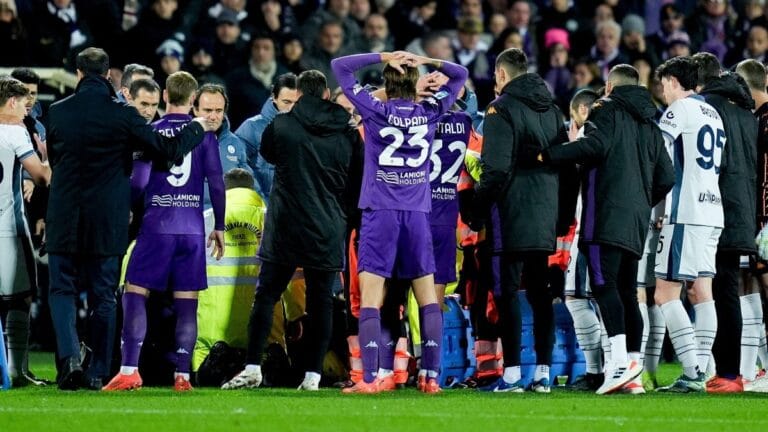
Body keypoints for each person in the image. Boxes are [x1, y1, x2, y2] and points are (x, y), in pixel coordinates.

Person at [45, 47, 215, 391]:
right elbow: (166, 150)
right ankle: (96, 371)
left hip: (63, 213)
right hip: (107, 219)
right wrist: (197, 128)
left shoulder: (56, 112)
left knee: (61, 289)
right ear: (109, 75)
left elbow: (58, 157)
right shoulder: (123, 115)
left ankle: (68, 364)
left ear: (79, 74)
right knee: (104, 294)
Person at [331, 51, 467, 394]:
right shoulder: (429, 111)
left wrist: (383, 55)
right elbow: (460, 74)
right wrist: (425, 59)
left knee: (372, 298)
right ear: (415, 85)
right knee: (427, 298)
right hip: (419, 214)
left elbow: (340, 67)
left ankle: (371, 379)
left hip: (381, 212)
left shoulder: (375, 110)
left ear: (387, 87)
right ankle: (431, 378)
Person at [221, 69, 363, 391]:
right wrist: (345, 217)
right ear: (326, 95)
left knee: (267, 295)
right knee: (321, 303)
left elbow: (269, 153)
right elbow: (358, 181)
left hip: (285, 226)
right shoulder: (347, 132)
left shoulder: (283, 124)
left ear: (298, 95)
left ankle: (253, 367)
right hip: (326, 227)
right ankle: (312, 376)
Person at [543, 63, 674, 395]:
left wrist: (551, 154)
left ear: (610, 87)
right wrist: (644, 202)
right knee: (628, 293)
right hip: (635, 221)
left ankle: (618, 365)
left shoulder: (606, 108)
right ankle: (632, 368)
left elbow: (594, 146)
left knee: (604, 288)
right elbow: (667, 177)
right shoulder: (651, 123)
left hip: (605, 217)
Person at [102, 71, 225, 392]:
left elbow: (140, 182)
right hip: (193, 230)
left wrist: (129, 206)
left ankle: (130, 369)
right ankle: (182, 375)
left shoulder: (151, 132)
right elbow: (217, 182)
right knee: (188, 304)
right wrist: (221, 226)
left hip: (158, 226)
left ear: (166, 97)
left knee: (134, 293)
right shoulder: (206, 136)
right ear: (194, 99)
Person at [469, 47, 567, 394]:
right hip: (544, 214)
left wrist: (474, 210)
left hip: (508, 215)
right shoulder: (554, 111)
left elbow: (494, 171)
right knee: (541, 295)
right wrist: (560, 217)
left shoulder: (500, 109)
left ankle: (510, 374)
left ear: (500, 75)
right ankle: (542, 374)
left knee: (507, 292)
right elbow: (564, 165)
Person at [652, 56, 726, 393]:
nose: (663, 92)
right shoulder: (713, 113)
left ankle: (693, 370)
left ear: (672, 81)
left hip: (686, 210)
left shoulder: (680, 108)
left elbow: (657, 151)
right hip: (713, 211)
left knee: (665, 292)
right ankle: (704, 367)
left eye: (663, 85)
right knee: (701, 291)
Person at [694, 53, 757, 393]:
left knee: (715, 292)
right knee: (726, 290)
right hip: (741, 208)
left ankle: (727, 373)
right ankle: (729, 371)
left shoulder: (707, 106)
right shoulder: (745, 109)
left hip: (713, 208)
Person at [0, 77, 51, 387]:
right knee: (21, 297)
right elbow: (41, 177)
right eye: (22, 104)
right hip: (9, 226)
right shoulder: (16, 132)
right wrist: (45, 156)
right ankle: (17, 371)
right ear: (10, 103)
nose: (25, 110)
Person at [560, 88, 606, 392]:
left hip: (592, 230)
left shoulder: (590, 136)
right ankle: (616, 367)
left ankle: (598, 371)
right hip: (619, 226)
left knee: (579, 297)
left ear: (582, 112)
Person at [736, 59, 768, 392]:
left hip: (764, 222)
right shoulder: (757, 120)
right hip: (755, 220)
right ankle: (752, 372)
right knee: (749, 286)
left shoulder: (764, 122)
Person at [235, 73, 298, 199]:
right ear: (273, 97)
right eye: (286, 102)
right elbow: (236, 166)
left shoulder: (309, 129)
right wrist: (259, 199)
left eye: (297, 102)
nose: (292, 108)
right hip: (264, 209)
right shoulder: (251, 128)